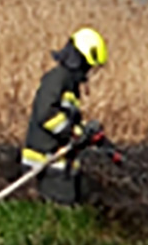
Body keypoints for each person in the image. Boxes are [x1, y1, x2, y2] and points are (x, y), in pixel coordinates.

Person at [21, 27, 108, 205]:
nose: (89, 72)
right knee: (63, 209)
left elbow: (68, 118)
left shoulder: (70, 85)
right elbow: (46, 113)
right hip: (45, 166)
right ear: (80, 60)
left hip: (61, 167)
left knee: (83, 198)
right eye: (89, 66)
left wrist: (85, 132)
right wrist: (72, 133)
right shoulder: (57, 79)